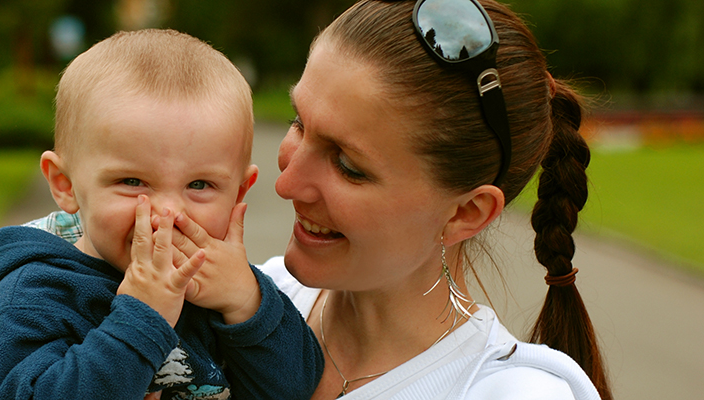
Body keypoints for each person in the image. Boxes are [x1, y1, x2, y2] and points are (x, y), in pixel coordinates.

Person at [234, 0, 611, 398]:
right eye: (299, 123)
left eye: (348, 165)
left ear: (465, 213)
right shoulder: (243, 303)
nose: (286, 184)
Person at [0, 29, 324, 400]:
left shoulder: (224, 287)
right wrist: (141, 318)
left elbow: (296, 388)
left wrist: (248, 305)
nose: (167, 212)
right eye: (132, 181)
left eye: (199, 185)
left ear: (238, 193)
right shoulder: (33, 294)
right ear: (65, 185)